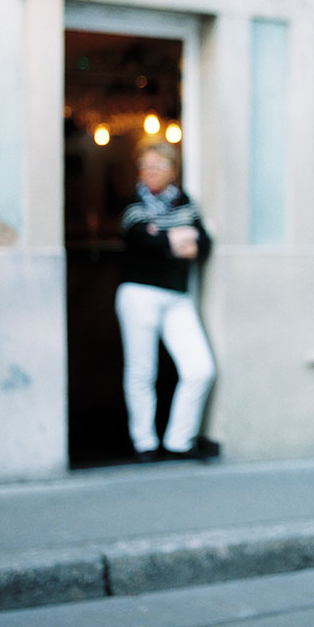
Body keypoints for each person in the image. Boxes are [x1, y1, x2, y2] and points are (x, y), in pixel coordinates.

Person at [115, 139, 220, 463]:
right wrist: (176, 238)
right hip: (138, 294)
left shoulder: (185, 202)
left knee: (200, 369)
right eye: (145, 166)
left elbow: (202, 243)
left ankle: (179, 439)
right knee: (141, 371)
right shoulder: (132, 202)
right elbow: (141, 239)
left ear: (173, 170)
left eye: (157, 166)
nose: (150, 172)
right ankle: (144, 442)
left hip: (177, 296)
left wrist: (166, 238)